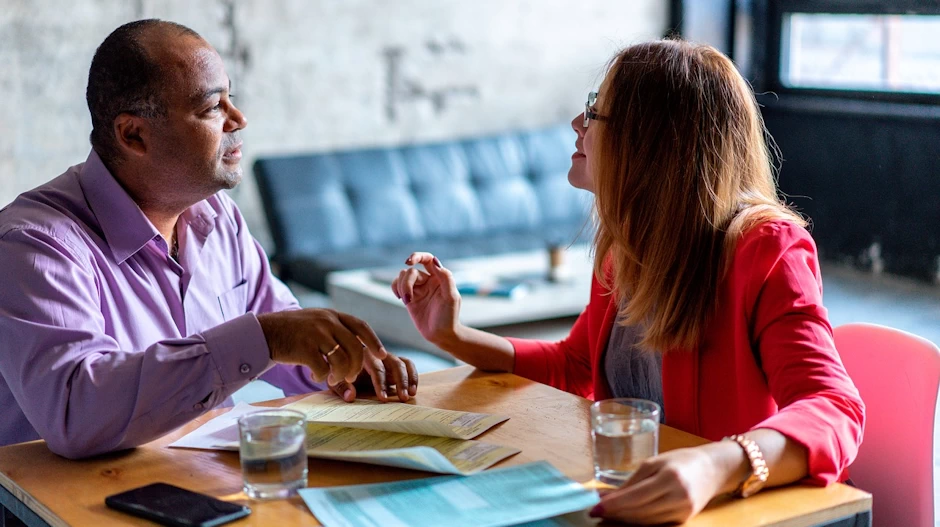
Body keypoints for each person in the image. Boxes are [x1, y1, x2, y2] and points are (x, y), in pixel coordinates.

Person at [392, 40, 864, 524]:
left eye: (596, 111)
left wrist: (715, 463)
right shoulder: (628, 246)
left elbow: (833, 407)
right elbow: (574, 364)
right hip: (634, 502)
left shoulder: (766, 247)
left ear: (651, 141)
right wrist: (452, 335)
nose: (578, 124)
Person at [0, 19, 418, 460]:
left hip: (203, 481)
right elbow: (76, 412)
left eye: (230, 97)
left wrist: (345, 366)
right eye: (211, 107)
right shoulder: (34, 246)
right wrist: (266, 339)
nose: (238, 119)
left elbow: (286, 334)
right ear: (133, 135)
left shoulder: (218, 219)